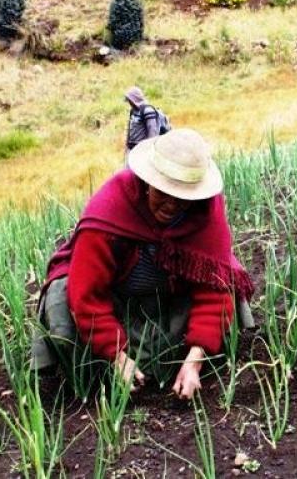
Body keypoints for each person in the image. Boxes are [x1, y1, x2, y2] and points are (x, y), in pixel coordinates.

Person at [31, 129, 254, 399]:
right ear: (148, 182)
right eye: (163, 193)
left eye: (182, 198)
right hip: (117, 302)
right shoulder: (110, 208)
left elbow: (213, 290)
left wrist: (195, 360)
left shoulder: (205, 209)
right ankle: (100, 374)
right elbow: (86, 295)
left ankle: (180, 364)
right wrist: (116, 355)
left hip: (171, 300)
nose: (171, 205)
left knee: (226, 275)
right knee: (62, 293)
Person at [124, 86, 169, 152]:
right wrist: (127, 146)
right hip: (132, 148)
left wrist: (148, 148)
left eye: (130, 100)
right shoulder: (133, 111)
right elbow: (130, 129)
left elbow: (153, 132)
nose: (129, 102)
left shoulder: (147, 110)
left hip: (142, 148)